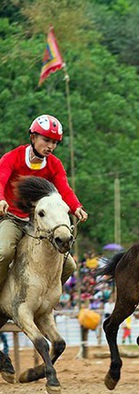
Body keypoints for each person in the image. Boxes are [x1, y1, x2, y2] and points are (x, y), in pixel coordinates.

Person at [0, 115, 88, 290]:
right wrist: (1, 199)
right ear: (33, 137)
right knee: (4, 252)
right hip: (12, 219)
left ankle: (45, 303)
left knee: (70, 266)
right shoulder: (13, 157)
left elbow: (64, 189)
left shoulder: (54, 164)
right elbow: (0, 179)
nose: (51, 146)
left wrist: (76, 207)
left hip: (39, 224)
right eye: (46, 140)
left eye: (55, 142)